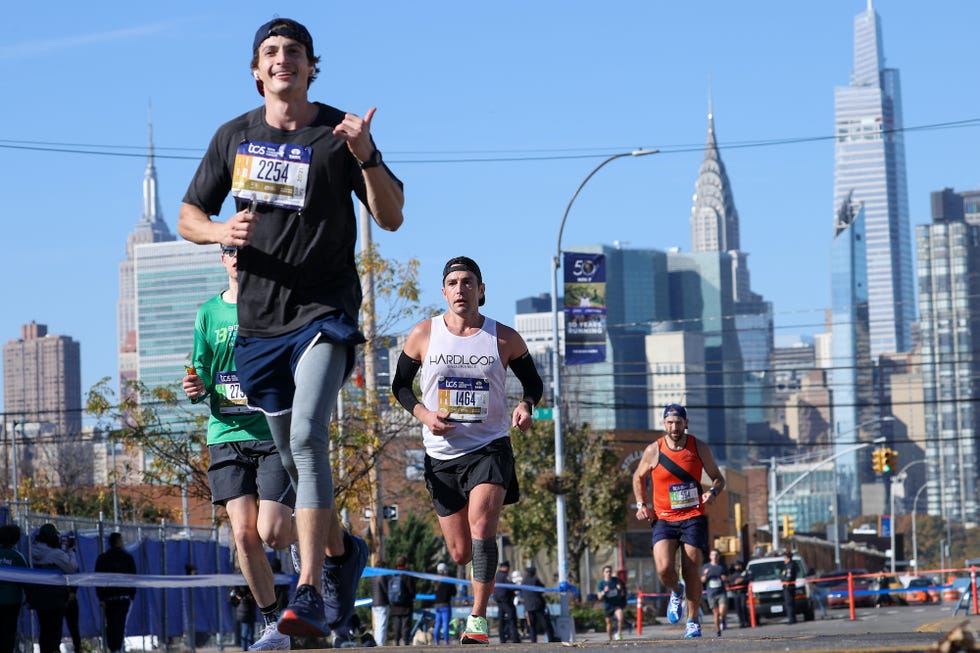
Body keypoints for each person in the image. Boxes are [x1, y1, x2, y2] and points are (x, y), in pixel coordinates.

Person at [178, 16, 404, 638]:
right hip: (259, 326)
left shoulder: (338, 135)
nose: (283, 60)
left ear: (311, 67)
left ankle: (307, 588)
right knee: (296, 456)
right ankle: (341, 552)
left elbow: (390, 218)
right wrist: (221, 230)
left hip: (325, 313)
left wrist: (369, 156)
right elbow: (189, 213)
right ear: (257, 71)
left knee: (306, 436)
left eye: (295, 52)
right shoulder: (234, 138)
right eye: (271, 52)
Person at [391, 256, 543, 645]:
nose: (461, 289)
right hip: (440, 453)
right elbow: (400, 387)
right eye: (454, 283)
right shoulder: (423, 334)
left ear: (481, 290)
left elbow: (533, 384)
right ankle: (475, 596)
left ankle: (477, 618)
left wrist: (526, 405)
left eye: (468, 282)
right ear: (444, 292)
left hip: (489, 446)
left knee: (482, 527)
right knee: (460, 553)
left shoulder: (504, 338)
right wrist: (424, 414)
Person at [182, 245, 296, 651]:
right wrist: (196, 386)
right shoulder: (208, 313)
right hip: (226, 434)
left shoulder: (273, 305)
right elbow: (200, 372)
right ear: (222, 258)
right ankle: (273, 626)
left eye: (243, 251)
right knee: (244, 536)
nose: (236, 256)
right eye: (229, 250)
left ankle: (311, 536)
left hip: (270, 431)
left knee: (274, 533)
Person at [631, 403, 726, 639]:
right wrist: (641, 504)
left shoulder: (698, 447)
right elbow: (638, 476)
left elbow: (718, 478)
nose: (674, 427)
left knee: (692, 567)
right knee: (664, 569)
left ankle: (692, 621)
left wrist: (712, 493)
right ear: (664, 424)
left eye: (679, 422)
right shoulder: (654, 450)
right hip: (664, 517)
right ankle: (676, 591)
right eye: (670, 423)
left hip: (693, 515)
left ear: (686, 423)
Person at [27, 524, 78, 653]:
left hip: (39, 597)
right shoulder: (56, 554)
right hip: (56, 598)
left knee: (44, 629)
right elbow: (72, 567)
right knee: (55, 631)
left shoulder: (31, 550)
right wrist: (71, 551)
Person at [95, 532, 138, 653]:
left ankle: (113, 647)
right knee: (120, 624)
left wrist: (101, 597)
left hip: (109, 598)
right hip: (123, 597)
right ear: (119, 541)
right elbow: (133, 578)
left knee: (111, 624)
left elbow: (98, 579)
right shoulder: (127, 558)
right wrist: (131, 596)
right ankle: (117, 648)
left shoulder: (102, 558)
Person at [0, 524, 27, 653]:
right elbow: (28, 579)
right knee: (9, 632)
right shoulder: (17, 556)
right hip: (11, 601)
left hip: (10, 601)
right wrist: (30, 597)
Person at [388, 555, 416, 646]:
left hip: (395, 604)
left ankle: (396, 641)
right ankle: (406, 642)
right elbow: (412, 590)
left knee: (396, 624)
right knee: (405, 625)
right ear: (406, 563)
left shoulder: (393, 574)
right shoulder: (408, 575)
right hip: (406, 605)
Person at [521, 565, 554, 643]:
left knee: (532, 625)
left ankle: (533, 640)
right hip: (538, 605)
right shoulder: (535, 580)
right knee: (545, 624)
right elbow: (542, 589)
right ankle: (551, 639)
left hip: (528, 606)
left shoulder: (524, 581)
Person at [701, 549, 728, 637]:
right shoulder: (706, 566)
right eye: (713, 555)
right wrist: (705, 575)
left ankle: (723, 619)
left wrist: (725, 578)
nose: (714, 556)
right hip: (711, 593)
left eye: (716, 555)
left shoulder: (722, 566)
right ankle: (718, 630)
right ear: (710, 556)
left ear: (718, 556)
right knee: (716, 613)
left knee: (722, 611)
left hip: (721, 592)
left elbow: (728, 577)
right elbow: (702, 580)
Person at [597, 565, 627, 641]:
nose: (608, 573)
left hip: (616, 604)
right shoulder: (601, 583)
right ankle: (610, 638)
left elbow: (621, 589)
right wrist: (604, 591)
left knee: (620, 618)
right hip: (608, 605)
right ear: (603, 573)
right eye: (606, 572)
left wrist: (619, 588)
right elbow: (599, 597)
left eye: (609, 571)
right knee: (609, 623)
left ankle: (618, 634)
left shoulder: (615, 580)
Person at [493, 561, 520, 643]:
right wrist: (518, 587)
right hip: (506, 601)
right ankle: (515, 638)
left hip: (499, 600)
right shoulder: (504, 576)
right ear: (505, 567)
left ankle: (502, 638)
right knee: (512, 618)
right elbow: (510, 586)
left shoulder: (496, 575)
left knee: (501, 620)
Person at [432, 563, 457, 645]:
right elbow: (454, 592)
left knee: (438, 623)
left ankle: (436, 641)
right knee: (445, 623)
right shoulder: (448, 580)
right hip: (446, 605)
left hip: (437, 605)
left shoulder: (435, 581)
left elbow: (435, 592)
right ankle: (446, 641)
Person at [230, 584, 259, 650]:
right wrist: (244, 597)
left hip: (250, 613)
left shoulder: (249, 586)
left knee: (250, 634)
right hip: (244, 613)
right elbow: (236, 595)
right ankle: (245, 649)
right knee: (245, 633)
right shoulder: (238, 586)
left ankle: (250, 649)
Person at [370, 560, 390, 645]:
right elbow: (386, 590)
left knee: (378, 625)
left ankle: (377, 642)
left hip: (375, 603)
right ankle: (380, 644)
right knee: (382, 624)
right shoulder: (382, 576)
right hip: (382, 602)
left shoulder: (373, 576)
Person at [728, 560, 751, 628]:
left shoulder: (745, 573)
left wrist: (742, 580)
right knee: (738, 609)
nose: (737, 567)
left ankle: (747, 621)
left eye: (738, 565)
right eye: (736, 565)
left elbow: (750, 578)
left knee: (743, 606)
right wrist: (735, 583)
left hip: (743, 592)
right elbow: (730, 584)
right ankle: (741, 622)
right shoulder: (733, 575)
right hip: (736, 593)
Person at [780, 551, 798, 624]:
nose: (784, 559)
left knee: (789, 603)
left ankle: (791, 619)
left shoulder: (790, 566)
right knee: (789, 603)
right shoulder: (787, 566)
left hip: (789, 587)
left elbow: (789, 577)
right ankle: (791, 618)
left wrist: (783, 580)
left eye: (785, 558)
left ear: (788, 558)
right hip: (787, 587)